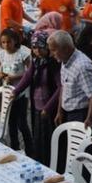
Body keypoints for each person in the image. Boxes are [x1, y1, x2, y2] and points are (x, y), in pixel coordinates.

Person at [12, 30, 60, 165]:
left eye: (40, 47)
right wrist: (16, 91)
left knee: (48, 139)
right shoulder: (36, 61)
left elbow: (60, 88)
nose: (37, 51)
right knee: (37, 137)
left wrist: (48, 107)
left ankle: (50, 164)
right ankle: (39, 162)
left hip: (49, 109)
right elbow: (27, 76)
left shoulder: (53, 63)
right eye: (34, 48)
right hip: (36, 107)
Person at [50, 30, 92, 131]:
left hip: (82, 115)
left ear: (65, 49)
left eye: (54, 50)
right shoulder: (65, 60)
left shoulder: (82, 66)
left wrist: (89, 118)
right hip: (69, 113)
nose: (51, 54)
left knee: (80, 142)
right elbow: (63, 87)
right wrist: (60, 111)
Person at [0, 28, 33, 154]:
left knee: (22, 122)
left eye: (8, 42)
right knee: (11, 121)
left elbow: (30, 72)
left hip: (21, 92)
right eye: (3, 42)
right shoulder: (1, 54)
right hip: (8, 92)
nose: (6, 45)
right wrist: (0, 74)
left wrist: (15, 77)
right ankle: (15, 147)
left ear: (15, 41)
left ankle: (30, 149)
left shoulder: (22, 54)